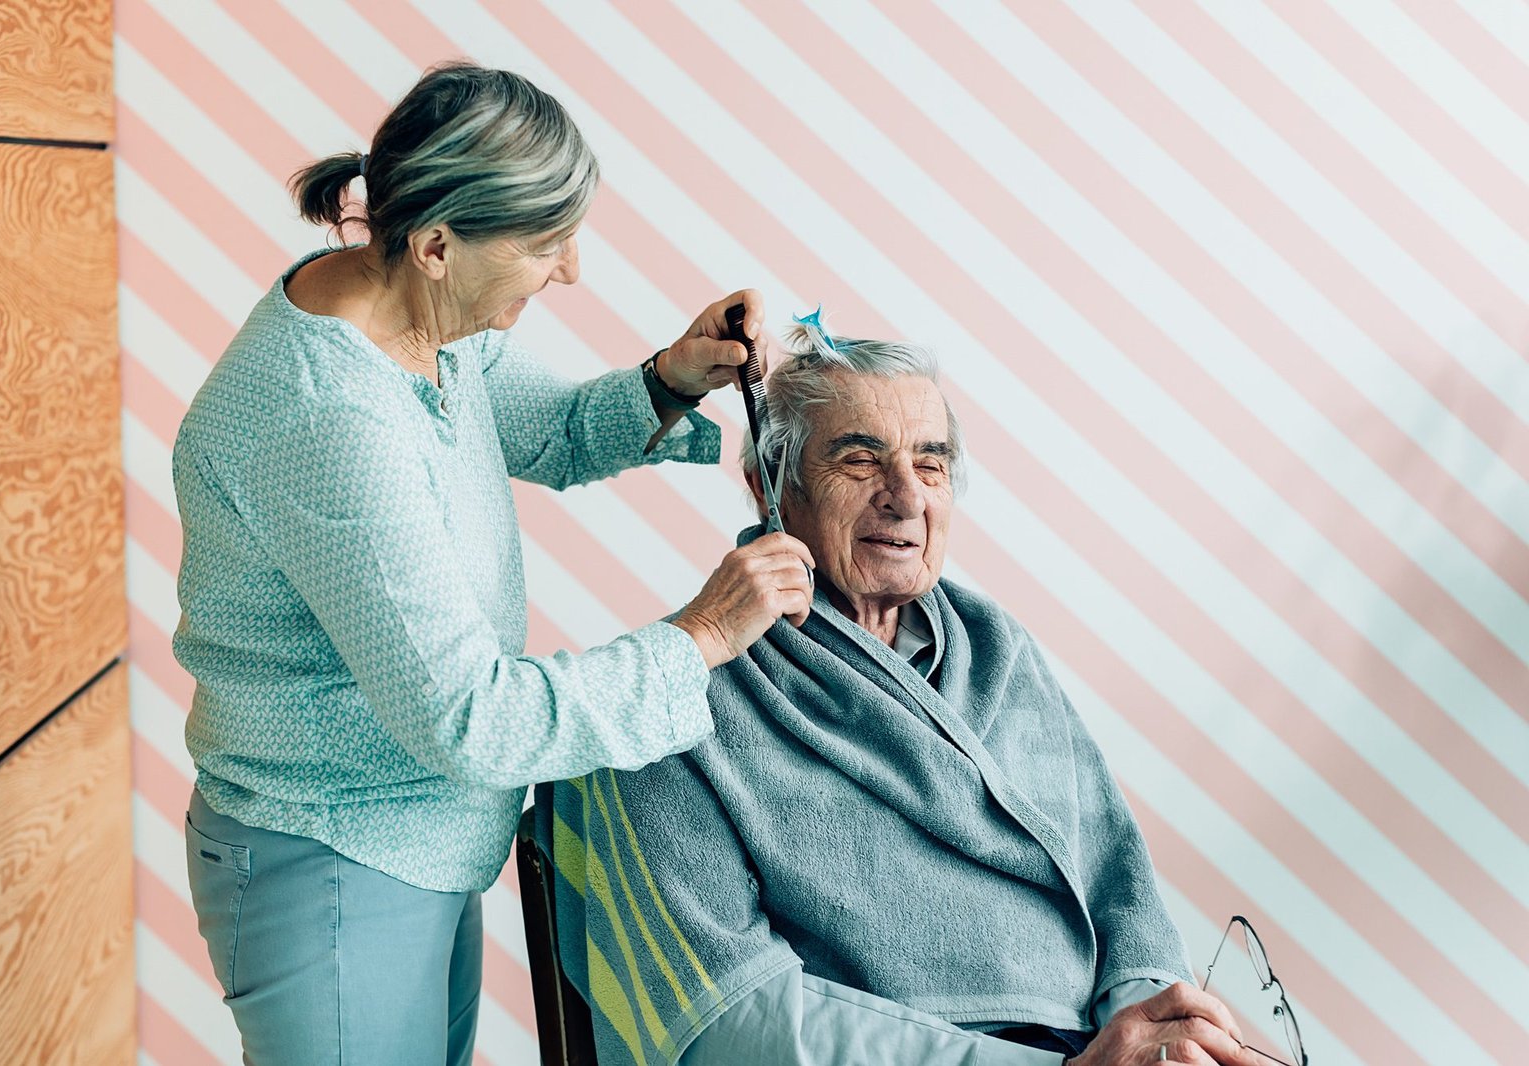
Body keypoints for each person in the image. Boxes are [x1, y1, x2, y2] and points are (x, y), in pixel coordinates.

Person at [172, 61, 814, 1065]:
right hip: (335, 862)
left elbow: (550, 431)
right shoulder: (328, 416)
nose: (570, 272)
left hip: (413, 843)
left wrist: (670, 381)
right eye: (547, 244)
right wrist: (701, 636)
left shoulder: (413, 316)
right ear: (435, 244)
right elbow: (470, 717)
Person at [543, 313, 1266, 1066]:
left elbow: (1122, 884)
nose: (907, 497)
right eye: (860, 459)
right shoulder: (662, 702)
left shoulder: (997, 650)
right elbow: (730, 1021)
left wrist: (1153, 1032)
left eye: (932, 464)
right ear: (767, 483)